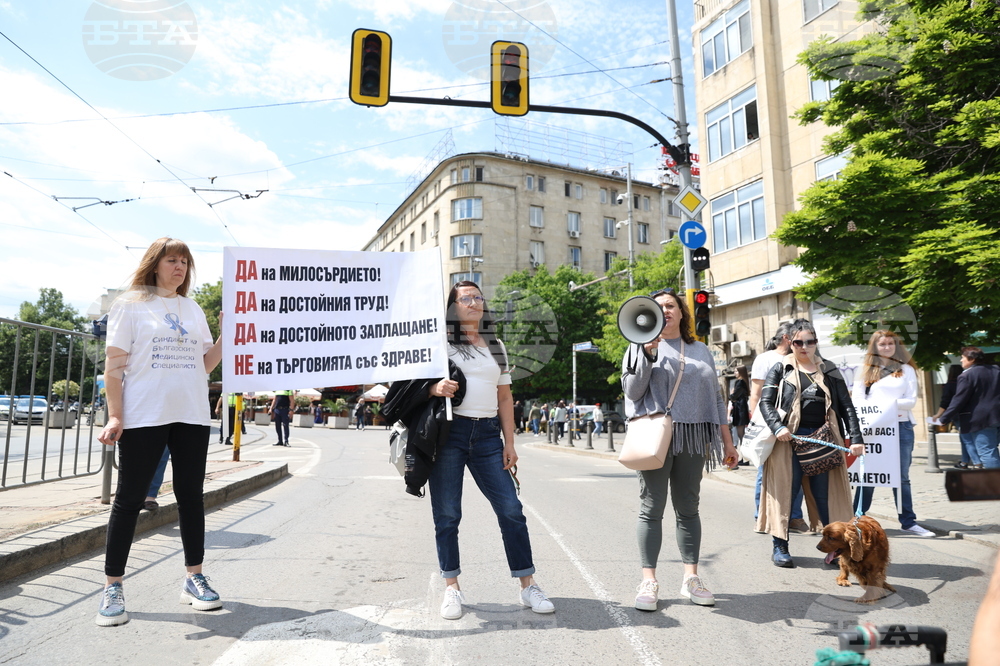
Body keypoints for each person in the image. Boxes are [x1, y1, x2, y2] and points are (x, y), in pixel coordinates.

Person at [95, 237, 224, 627]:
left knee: (190, 496)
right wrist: (115, 416)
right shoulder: (130, 305)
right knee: (129, 498)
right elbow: (113, 369)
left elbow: (204, 365)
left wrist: (226, 335)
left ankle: (194, 577)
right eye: (172, 260)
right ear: (155, 264)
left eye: (185, 261)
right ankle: (113, 586)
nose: (180, 267)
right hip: (144, 415)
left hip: (191, 414)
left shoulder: (192, 307)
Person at [425, 281, 554, 620]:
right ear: (453, 306)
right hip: (449, 435)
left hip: (486, 436)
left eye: (479, 297)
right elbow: (412, 386)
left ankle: (528, 585)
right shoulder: (439, 344)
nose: (475, 302)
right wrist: (435, 387)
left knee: (511, 509)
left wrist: (510, 442)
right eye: (467, 298)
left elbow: (505, 398)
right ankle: (451, 587)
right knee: (448, 514)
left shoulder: (496, 345)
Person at [621, 288, 740, 611]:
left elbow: (716, 398)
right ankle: (649, 580)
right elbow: (632, 392)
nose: (665, 311)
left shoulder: (700, 349)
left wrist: (728, 442)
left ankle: (691, 578)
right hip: (655, 438)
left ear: (681, 312)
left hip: (693, 436)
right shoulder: (637, 346)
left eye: (671, 306)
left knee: (688, 507)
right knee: (652, 508)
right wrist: (647, 355)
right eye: (658, 307)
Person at [757, 319, 865, 568]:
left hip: (824, 439)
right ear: (790, 342)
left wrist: (856, 439)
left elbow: (846, 406)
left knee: (826, 496)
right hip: (788, 440)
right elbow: (765, 402)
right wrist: (778, 427)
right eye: (798, 342)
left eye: (810, 342)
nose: (804, 347)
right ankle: (780, 547)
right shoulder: (780, 368)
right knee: (785, 493)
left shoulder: (829, 369)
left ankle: (837, 550)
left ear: (816, 343)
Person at [851, 330, 935, 537]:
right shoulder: (865, 370)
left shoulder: (906, 370)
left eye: (891, 343)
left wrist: (886, 407)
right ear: (875, 347)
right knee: (868, 475)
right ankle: (856, 519)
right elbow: (857, 400)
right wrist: (879, 411)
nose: (887, 347)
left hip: (900, 428)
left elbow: (911, 401)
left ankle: (908, 522)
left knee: (901, 477)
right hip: (872, 428)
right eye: (882, 344)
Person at [750, 321, 807, 532]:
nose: (804, 344)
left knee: (797, 471)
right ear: (787, 338)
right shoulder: (765, 359)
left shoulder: (801, 359)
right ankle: (762, 515)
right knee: (765, 471)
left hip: (795, 425)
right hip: (770, 423)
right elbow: (756, 394)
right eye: (799, 339)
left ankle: (793, 516)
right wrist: (759, 423)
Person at [940, 347, 1000, 469]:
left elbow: (959, 400)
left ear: (971, 359)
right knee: (991, 449)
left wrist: (944, 418)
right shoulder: (996, 370)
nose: (961, 360)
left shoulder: (966, 376)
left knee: (987, 452)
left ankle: (995, 485)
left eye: (963, 357)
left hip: (980, 420)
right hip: (996, 416)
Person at [935, 365, 980, 468]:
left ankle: (977, 463)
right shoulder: (967, 383)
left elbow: (945, 402)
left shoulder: (950, 385)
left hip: (958, 415)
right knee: (965, 439)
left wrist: (938, 415)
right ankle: (964, 462)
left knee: (967, 439)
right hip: (971, 414)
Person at [730, 366, 750, 463]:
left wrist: (731, 395)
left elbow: (734, 395)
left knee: (741, 435)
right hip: (741, 410)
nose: (735, 373)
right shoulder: (743, 382)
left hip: (740, 410)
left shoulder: (740, 382)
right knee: (741, 435)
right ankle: (744, 458)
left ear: (740, 372)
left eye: (736, 371)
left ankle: (745, 458)